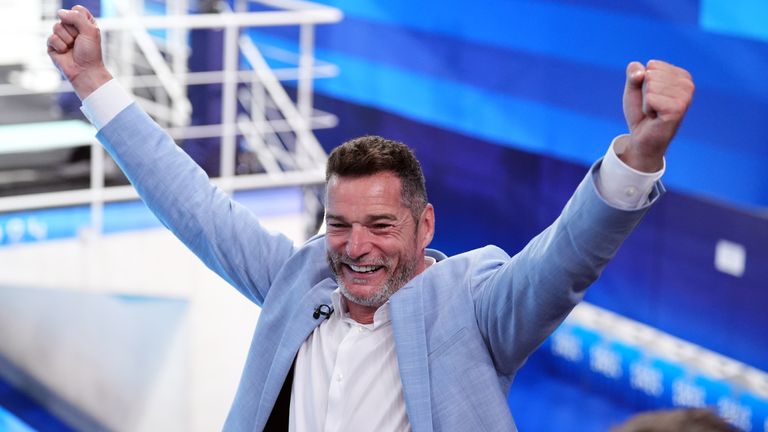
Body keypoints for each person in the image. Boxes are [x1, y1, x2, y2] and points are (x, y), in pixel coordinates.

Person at [47, 6, 694, 432]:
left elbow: (566, 259)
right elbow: (193, 205)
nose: (355, 248)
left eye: (381, 226)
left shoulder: (473, 306)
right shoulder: (298, 279)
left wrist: (639, 154)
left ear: (425, 226)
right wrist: (94, 82)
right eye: (340, 224)